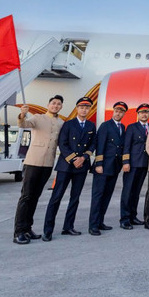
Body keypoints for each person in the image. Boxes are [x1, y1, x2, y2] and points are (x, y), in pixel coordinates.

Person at [42, 96, 97, 241]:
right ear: (77, 108)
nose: (84, 110)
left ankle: (68, 226)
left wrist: (84, 158)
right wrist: (74, 159)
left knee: (75, 198)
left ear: (89, 110)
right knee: (56, 197)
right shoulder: (68, 124)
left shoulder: (91, 126)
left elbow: (92, 145)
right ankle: (48, 230)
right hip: (66, 166)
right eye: (81, 107)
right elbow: (63, 143)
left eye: (87, 107)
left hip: (81, 166)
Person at [12, 95, 64, 244]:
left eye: (58, 104)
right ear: (48, 104)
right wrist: (22, 114)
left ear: (61, 107)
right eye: (53, 103)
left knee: (35, 197)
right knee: (26, 196)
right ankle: (19, 231)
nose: (55, 106)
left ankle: (28, 228)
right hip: (33, 161)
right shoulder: (38, 118)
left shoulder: (61, 123)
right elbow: (24, 124)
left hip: (47, 163)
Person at [88, 101, 127, 235]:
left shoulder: (122, 127)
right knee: (98, 196)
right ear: (113, 111)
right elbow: (100, 145)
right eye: (116, 110)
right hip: (103, 167)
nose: (118, 113)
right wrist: (98, 164)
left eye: (121, 111)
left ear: (124, 113)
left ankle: (100, 222)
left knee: (107, 195)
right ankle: (93, 225)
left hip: (114, 167)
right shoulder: (105, 125)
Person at [119, 103, 149, 230]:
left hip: (144, 164)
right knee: (127, 192)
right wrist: (126, 162)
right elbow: (126, 145)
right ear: (138, 114)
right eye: (142, 112)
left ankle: (133, 216)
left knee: (136, 192)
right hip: (132, 164)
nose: (144, 114)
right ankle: (125, 219)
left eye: (147, 112)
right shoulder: (132, 127)